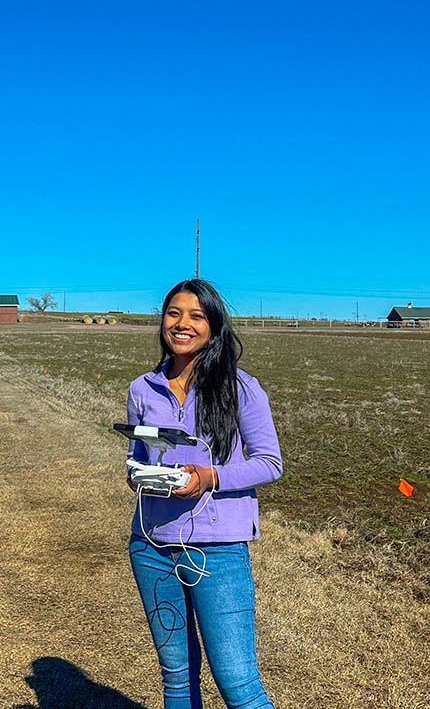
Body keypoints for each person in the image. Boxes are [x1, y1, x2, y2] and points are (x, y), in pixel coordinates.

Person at [126, 278, 282, 709]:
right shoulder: (142, 389)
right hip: (152, 546)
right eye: (174, 313)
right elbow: (136, 453)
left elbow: (270, 462)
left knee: (238, 684)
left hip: (217, 550)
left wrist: (208, 477)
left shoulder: (241, 387)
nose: (182, 324)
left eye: (196, 316)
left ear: (214, 326)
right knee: (176, 678)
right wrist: (139, 474)